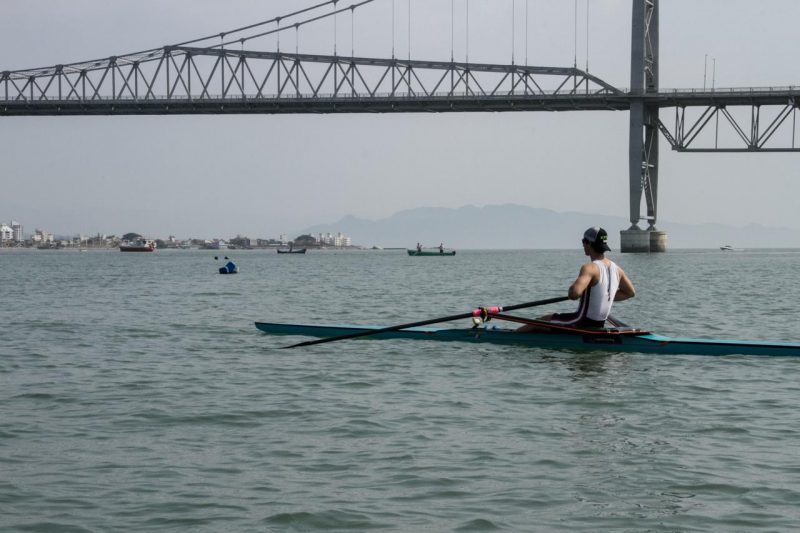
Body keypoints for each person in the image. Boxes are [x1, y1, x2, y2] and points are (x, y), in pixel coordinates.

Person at [519, 227, 635, 330]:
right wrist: (601, 297)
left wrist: (573, 291)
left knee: (540, 321)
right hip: (599, 324)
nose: (583, 245)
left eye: (583, 241)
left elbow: (574, 294)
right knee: (547, 323)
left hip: (580, 321)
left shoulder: (590, 268)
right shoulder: (617, 269)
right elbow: (630, 293)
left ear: (589, 243)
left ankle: (512, 337)